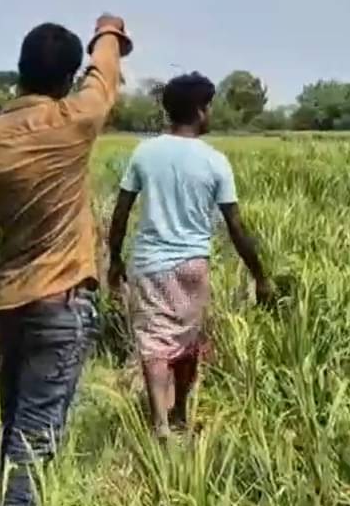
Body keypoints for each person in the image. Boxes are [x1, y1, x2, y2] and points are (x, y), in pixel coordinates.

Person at [0, 14, 132, 506]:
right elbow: (104, 77)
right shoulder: (74, 120)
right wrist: (109, 31)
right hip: (62, 302)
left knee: (17, 429)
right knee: (36, 437)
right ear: (64, 80)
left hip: (9, 304)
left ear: (20, 70)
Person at [107, 72, 272, 440]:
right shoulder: (215, 161)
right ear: (200, 111)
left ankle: (159, 424)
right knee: (187, 341)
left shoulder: (144, 152)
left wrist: (114, 259)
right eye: (209, 106)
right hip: (193, 266)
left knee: (153, 341)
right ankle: (180, 412)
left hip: (150, 263)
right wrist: (259, 274)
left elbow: (121, 213)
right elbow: (235, 226)